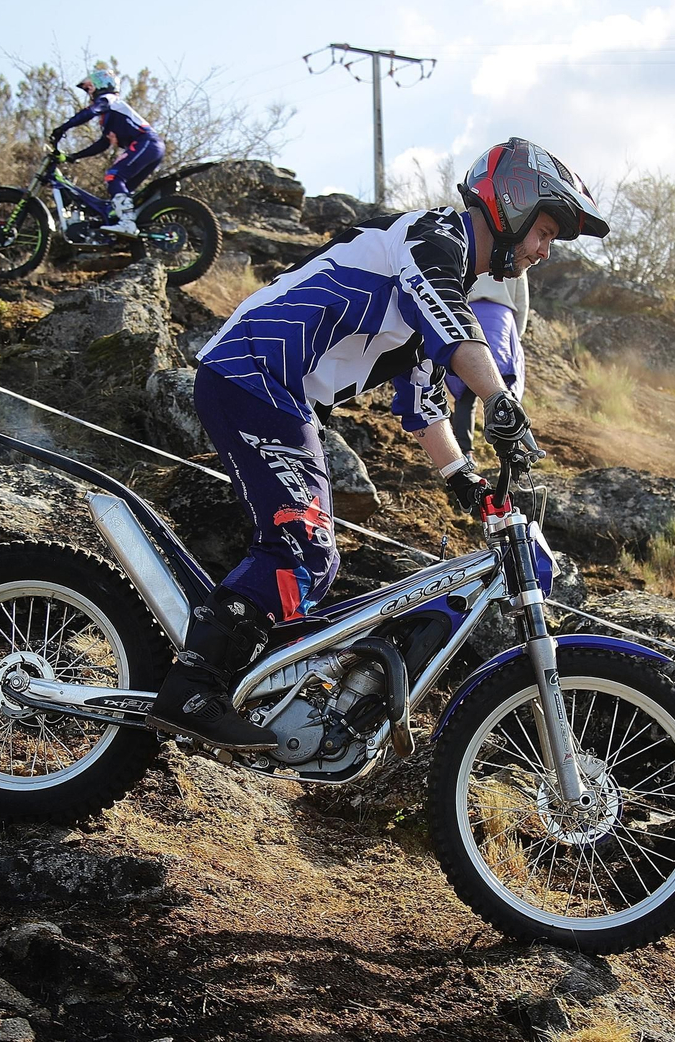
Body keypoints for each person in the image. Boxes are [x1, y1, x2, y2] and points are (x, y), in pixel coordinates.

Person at [145, 137, 609, 751]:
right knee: (304, 544)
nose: (546, 250)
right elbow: (454, 328)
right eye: (545, 231)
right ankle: (193, 688)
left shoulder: (446, 284)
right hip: (251, 370)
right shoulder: (435, 237)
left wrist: (465, 483)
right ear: (513, 205)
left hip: (277, 391)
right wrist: (501, 403)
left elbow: (423, 408)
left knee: (314, 556)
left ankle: (241, 678)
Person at [49, 67, 163, 237]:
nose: (89, 95)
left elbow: (90, 112)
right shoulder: (111, 115)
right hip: (149, 147)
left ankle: (127, 224)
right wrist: (73, 156)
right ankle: (128, 225)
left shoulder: (110, 100)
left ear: (100, 85)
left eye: (89, 89)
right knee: (120, 192)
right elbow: (103, 144)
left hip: (146, 142)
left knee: (113, 176)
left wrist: (63, 128)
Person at [448, 270, 529, 455]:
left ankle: (464, 452)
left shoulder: (473, 251)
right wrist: (517, 335)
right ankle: (510, 450)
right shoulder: (518, 257)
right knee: (504, 390)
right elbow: (522, 302)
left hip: (469, 315)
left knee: (466, 390)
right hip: (502, 320)